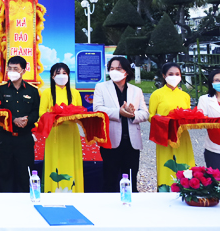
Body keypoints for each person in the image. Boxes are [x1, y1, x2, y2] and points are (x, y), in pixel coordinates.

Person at [93, 57, 149, 193]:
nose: (114, 71)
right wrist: (119, 112)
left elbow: (145, 113)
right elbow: (98, 109)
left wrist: (133, 115)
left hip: (132, 143)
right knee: (110, 179)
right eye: (111, 69)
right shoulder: (101, 87)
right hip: (111, 141)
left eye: (118, 68)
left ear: (126, 71)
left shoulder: (136, 90)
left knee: (131, 179)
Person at [0, 56, 40, 193]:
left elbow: (36, 111)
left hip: (24, 139)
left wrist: (28, 120)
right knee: (3, 173)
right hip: (5, 138)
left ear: (23, 71)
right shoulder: (0, 89)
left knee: (24, 174)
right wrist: (13, 119)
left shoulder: (32, 90)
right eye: (10, 68)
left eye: (16, 69)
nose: (12, 71)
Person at [149, 62, 195, 191]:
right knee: (166, 164)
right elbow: (150, 116)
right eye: (170, 74)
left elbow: (188, 114)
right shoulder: (157, 94)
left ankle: (187, 189)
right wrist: (164, 121)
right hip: (164, 135)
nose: (174, 77)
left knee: (184, 162)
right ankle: (165, 189)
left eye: (177, 74)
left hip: (182, 135)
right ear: (164, 76)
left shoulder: (185, 96)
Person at [39, 63, 84, 193]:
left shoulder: (75, 93)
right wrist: (54, 118)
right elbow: (41, 113)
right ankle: (52, 193)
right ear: (52, 77)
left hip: (71, 134)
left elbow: (80, 112)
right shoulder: (47, 92)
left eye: (64, 73)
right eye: (58, 73)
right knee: (55, 163)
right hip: (55, 133)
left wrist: (76, 117)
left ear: (69, 76)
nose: (61, 76)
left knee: (71, 162)